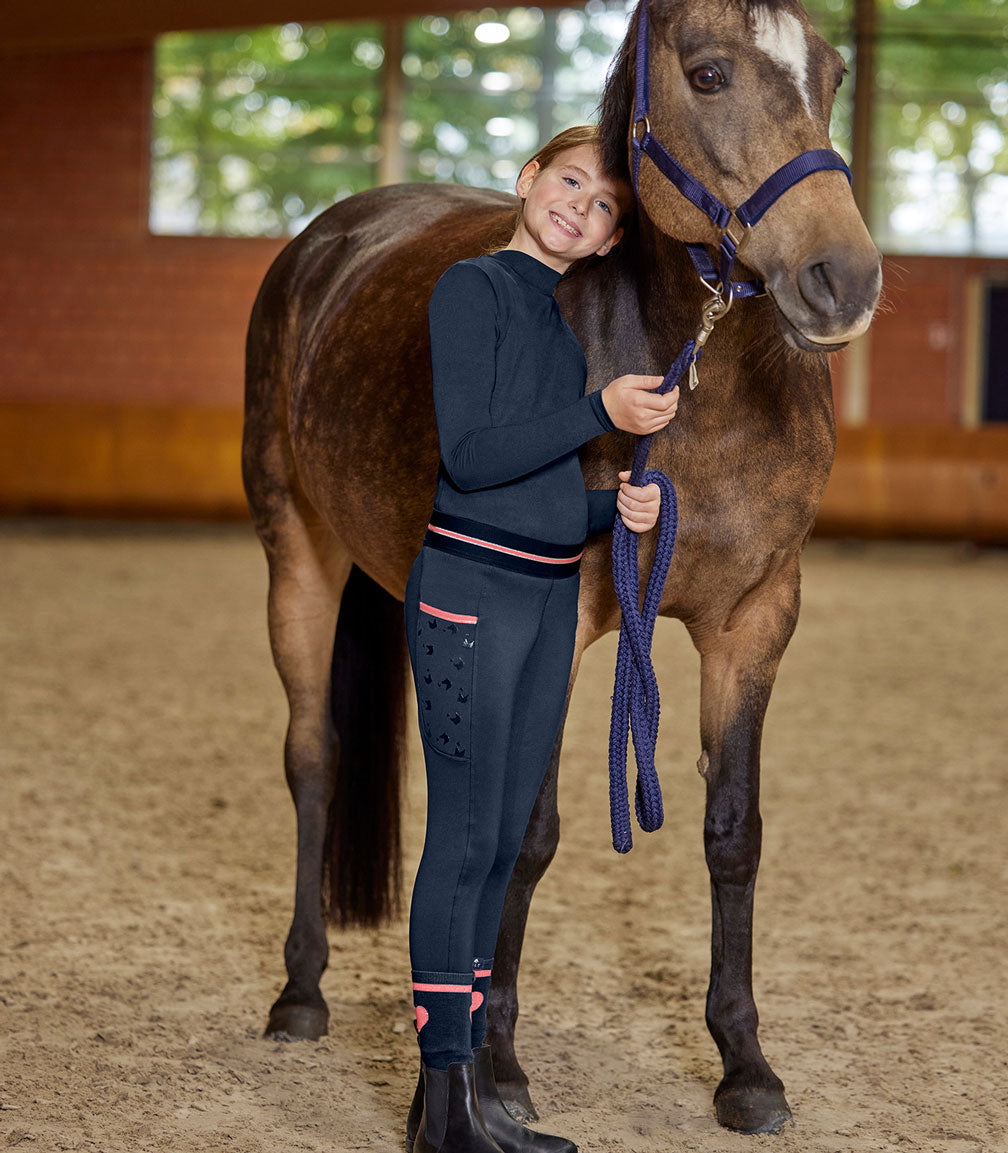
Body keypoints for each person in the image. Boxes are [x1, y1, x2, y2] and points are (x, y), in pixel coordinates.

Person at [403, 124, 678, 1153]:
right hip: (471, 595)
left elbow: (538, 491)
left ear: (611, 240)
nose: (583, 208)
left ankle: (469, 1096)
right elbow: (473, 460)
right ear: (528, 180)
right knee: (466, 841)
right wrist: (597, 411)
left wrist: (618, 509)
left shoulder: (558, 327)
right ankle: (441, 1107)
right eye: (571, 184)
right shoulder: (472, 290)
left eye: (606, 206)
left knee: (504, 841)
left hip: (544, 598)